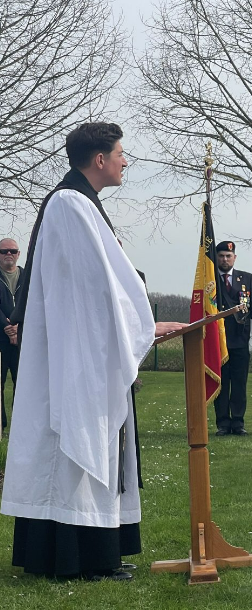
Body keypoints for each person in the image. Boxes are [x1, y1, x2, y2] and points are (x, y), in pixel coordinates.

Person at [0, 122, 185, 581]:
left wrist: (139, 326)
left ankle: (97, 553)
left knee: (93, 447)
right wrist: (142, 327)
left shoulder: (80, 203)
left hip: (86, 350)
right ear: (99, 159)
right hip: (75, 356)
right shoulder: (70, 204)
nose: (125, 161)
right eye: (121, 153)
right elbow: (90, 289)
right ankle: (78, 558)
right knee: (74, 448)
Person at [214, 241, 252, 436]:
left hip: (241, 339)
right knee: (221, 383)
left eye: (228, 256)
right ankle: (222, 423)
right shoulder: (209, 279)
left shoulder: (246, 278)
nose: (225, 259)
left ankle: (238, 422)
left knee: (239, 383)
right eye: (221, 256)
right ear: (216, 257)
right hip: (218, 340)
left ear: (234, 258)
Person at [0, 238, 22, 432]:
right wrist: (6, 325)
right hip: (0, 338)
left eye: (12, 251)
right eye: (4, 251)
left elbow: (33, 303)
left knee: (22, 383)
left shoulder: (26, 277)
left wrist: (18, 325)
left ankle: (19, 427)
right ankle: (1, 425)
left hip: (23, 339)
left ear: (18, 254)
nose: (9, 254)